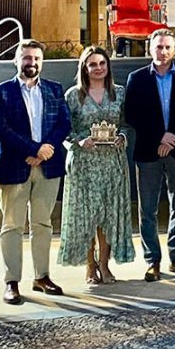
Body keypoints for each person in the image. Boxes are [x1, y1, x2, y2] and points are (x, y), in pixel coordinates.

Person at [0, 39, 71, 304]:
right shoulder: (1, 92)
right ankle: (11, 282)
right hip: (16, 165)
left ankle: (42, 276)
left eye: (36, 59)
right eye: (27, 58)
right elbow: (2, 129)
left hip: (48, 166)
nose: (32, 63)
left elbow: (63, 123)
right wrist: (32, 149)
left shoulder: (54, 89)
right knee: (12, 225)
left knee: (42, 223)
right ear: (17, 60)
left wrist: (46, 148)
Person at [123, 28, 175, 282]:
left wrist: (173, 137)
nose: (163, 51)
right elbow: (131, 115)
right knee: (148, 209)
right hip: (149, 151)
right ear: (150, 49)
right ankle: (152, 261)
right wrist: (160, 136)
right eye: (159, 47)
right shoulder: (136, 79)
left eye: (168, 47)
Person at [58, 46, 135, 284]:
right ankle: (90, 266)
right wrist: (79, 141)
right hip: (84, 164)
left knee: (109, 215)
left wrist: (122, 136)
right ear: (84, 68)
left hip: (113, 163)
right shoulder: (73, 95)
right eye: (93, 64)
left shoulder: (119, 93)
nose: (98, 68)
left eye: (102, 63)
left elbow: (127, 124)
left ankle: (105, 264)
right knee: (87, 217)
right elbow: (62, 131)